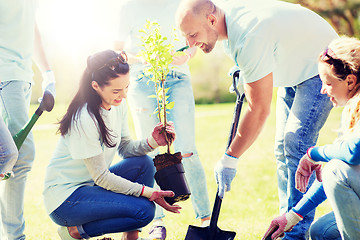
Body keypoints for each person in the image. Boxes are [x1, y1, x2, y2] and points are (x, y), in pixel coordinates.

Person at [176, 0, 338, 239]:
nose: (190, 44)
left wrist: (230, 158)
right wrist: (244, 69)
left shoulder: (248, 32)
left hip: (321, 66)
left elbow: (259, 109)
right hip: (295, 68)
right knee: (283, 149)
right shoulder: (228, 26)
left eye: (192, 34)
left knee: (296, 144)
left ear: (211, 20)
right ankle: (286, 221)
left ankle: (295, 233)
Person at [43, 50, 181, 240]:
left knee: (144, 164)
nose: (123, 96)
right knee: (145, 211)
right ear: (95, 86)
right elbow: (101, 177)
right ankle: (75, 231)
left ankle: (131, 237)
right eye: (116, 91)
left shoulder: (117, 105)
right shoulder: (84, 118)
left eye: (126, 87)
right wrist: (148, 192)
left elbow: (125, 148)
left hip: (91, 187)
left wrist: (153, 142)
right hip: (66, 200)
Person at [114, 1, 211, 239]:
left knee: (188, 149)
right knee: (150, 152)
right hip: (142, 81)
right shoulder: (129, 7)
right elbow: (118, 53)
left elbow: (194, 40)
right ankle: (156, 223)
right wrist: (143, 58)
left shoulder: (182, 4)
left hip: (177, 78)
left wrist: (187, 55)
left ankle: (206, 221)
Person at [263, 36, 360, 240]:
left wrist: (312, 154)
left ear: (350, 81)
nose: (323, 90)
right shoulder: (352, 109)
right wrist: (292, 216)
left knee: (334, 169)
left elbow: (352, 152)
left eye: (328, 83)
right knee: (321, 231)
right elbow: (343, 164)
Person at [0, 1, 56, 239]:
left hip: (22, 77)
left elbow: (30, 28)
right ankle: (15, 236)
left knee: (14, 159)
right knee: (19, 155)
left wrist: (48, 73)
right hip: (5, 75)